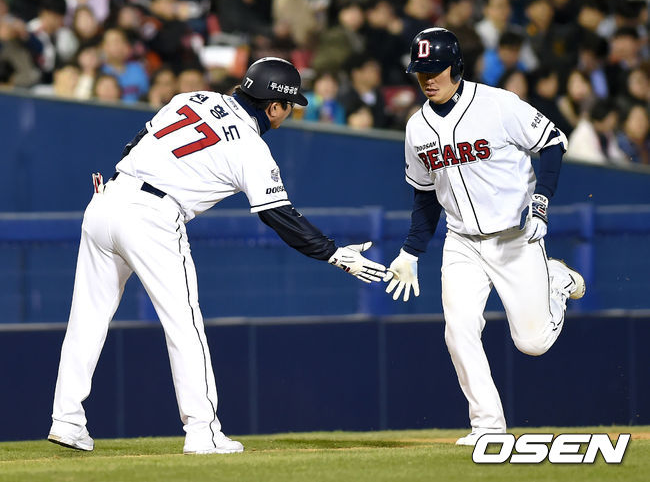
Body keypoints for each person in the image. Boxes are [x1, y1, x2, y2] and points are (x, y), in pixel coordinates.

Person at [47, 57, 386, 455]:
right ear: (274, 106)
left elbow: (136, 143)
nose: (289, 113)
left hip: (108, 197)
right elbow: (279, 216)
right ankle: (202, 431)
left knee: (86, 319)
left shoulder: (193, 98)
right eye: (289, 105)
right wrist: (334, 254)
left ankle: (66, 420)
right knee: (184, 325)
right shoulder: (250, 147)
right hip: (153, 215)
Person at [383, 28, 585, 446]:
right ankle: (488, 426)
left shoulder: (497, 103)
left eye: (436, 69)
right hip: (461, 242)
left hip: (515, 237)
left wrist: (542, 200)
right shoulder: (416, 127)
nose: (427, 78)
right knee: (458, 331)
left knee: (533, 343)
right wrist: (411, 250)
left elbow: (552, 142)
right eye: (421, 71)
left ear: (456, 66)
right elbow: (425, 195)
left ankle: (556, 279)